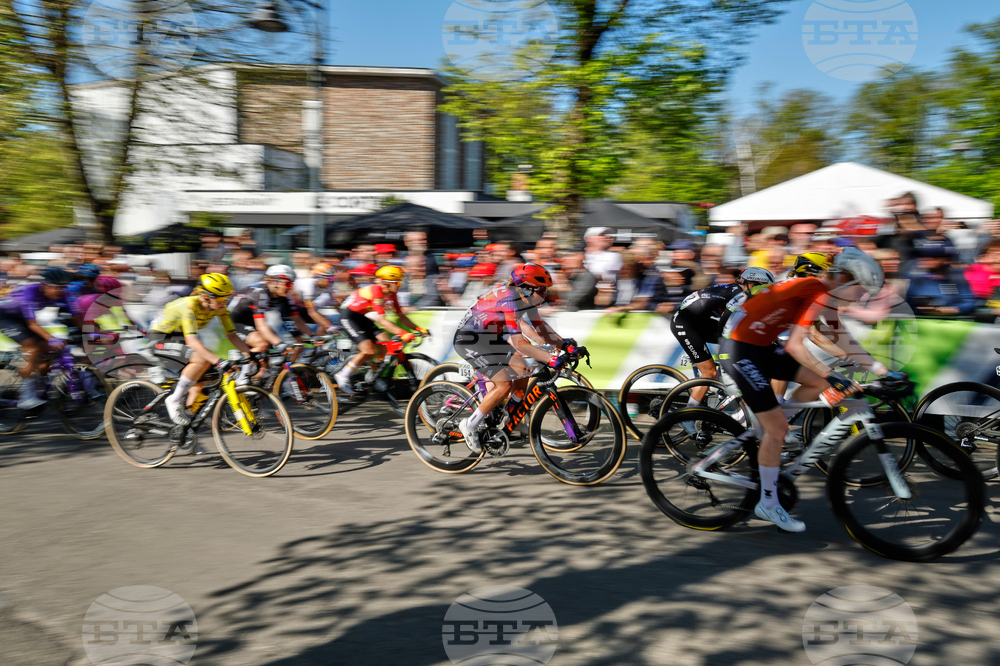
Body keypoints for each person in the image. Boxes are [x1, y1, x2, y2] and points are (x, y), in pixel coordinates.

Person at [720, 248, 904, 532]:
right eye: (861, 289)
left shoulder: (824, 295)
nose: (862, 297)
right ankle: (767, 503)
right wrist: (834, 376)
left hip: (761, 347)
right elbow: (795, 345)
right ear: (843, 278)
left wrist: (883, 371)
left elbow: (842, 339)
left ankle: (772, 429)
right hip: (739, 349)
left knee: (815, 385)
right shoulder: (814, 288)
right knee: (779, 427)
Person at [453, 263, 570, 452]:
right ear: (527, 288)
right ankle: (469, 425)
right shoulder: (509, 299)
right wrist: (551, 358)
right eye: (542, 290)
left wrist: (565, 345)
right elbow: (518, 342)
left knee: (523, 370)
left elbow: (540, 328)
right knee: (504, 384)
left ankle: (512, 418)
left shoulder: (525, 299)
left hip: (490, 337)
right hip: (470, 340)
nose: (546, 294)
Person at [147, 273, 252, 440]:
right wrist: (219, 361)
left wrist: (249, 356)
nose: (224, 304)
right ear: (205, 296)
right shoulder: (189, 305)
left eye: (226, 299)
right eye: (220, 300)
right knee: (203, 359)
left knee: (206, 381)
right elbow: (193, 342)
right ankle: (174, 400)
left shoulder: (218, 308)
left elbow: (232, 335)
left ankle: (185, 426)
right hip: (160, 338)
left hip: (179, 339)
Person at [670, 267, 775, 428]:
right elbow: (730, 328)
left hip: (703, 322)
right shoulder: (739, 295)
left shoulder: (747, 294)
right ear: (751, 284)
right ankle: (687, 416)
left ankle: (738, 411)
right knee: (709, 372)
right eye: (763, 287)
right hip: (685, 324)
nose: (766, 292)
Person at [334, 265, 427, 394]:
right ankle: (342, 375)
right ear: (387, 283)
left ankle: (372, 375)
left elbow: (400, 316)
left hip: (362, 316)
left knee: (385, 344)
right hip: (348, 316)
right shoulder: (376, 290)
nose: (400, 285)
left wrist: (418, 328)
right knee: (368, 350)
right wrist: (403, 333)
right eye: (398, 282)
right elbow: (382, 320)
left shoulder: (392, 294)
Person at [0, 266, 73, 410]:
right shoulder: (30, 291)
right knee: (33, 348)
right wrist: (52, 338)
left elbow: (75, 317)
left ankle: (35, 381)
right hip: (4, 317)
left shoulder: (62, 294)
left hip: (21, 319)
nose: (60, 291)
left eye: (63, 287)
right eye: (56, 287)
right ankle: (26, 397)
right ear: (45, 285)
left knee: (50, 349)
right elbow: (32, 324)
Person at [227, 264, 315, 375]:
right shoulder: (260, 292)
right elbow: (261, 326)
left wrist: (312, 337)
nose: (290, 287)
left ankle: (263, 382)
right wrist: (279, 344)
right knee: (262, 343)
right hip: (232, 323)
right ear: (275, 281)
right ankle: (242, 378)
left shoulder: (284, 295)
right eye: (288, 283)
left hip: (249, 322)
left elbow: (296, 319)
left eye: (292, 284)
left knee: (267, 359)